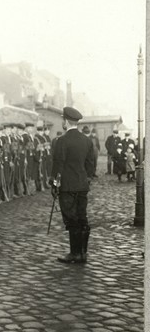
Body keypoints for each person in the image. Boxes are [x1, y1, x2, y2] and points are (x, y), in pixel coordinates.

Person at [51, 106, 95, 264]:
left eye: (63, 120)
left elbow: (58, 164)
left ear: (65, 121)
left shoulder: (62, 141)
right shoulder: (87, 140)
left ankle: (75, 253)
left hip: (67, 187)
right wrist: (87, 179)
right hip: (82, 185)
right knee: (82, 217)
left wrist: (55, 184)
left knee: (71, 219)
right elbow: (91, 164)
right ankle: (83, 253)